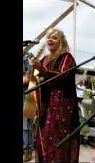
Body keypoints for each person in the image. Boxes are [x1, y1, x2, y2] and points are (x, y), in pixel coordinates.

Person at [28, 28, 80, 162]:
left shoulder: (67, 58)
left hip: (61, 108)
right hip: (45, 106)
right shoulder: (44, 58)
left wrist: (41, 69)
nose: (50, 39)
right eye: (48, 37)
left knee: (57, 143)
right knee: (42, 140)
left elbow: (61, 77)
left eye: (54, 37)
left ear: (61, 42)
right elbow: (36, 79)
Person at [23, 54, 34, 161]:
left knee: (26, 127)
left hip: (28, 98)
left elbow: (28, 79)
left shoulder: (28, 58)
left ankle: (28, 152)